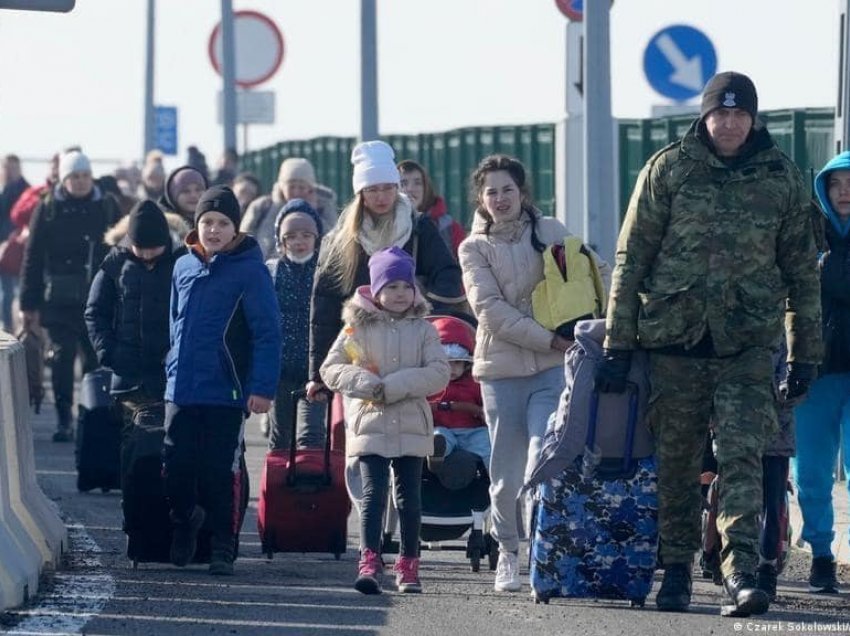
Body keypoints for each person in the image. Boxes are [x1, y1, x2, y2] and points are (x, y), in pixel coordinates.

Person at [596, 72, 822, 616]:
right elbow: (632, 259)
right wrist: (616, 343)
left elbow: (802, 273)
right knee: (677, 465)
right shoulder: (668, 169)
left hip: (746, 345)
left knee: (743, 456)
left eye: (740, 114)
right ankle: (674, 569)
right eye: (720, 114)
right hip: (675, 342)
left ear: (754, 118)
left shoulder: (781, 178)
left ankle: (741, 570)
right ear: (704, 117)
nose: (729, 124)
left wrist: (805, 353)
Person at [458, 153, 610, 593]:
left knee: (545, 455)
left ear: (523, 193)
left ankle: (546, 550)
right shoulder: (473, 248)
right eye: (491, 192)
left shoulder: (551, 231)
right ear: (481, 199)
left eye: (508, 190)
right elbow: (491, 311)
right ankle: (507, 550)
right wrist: (550, 339)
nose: (500, 199)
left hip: (551, 368)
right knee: (505, 473)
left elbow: (595, 273)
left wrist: (619, 310)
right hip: (501, 371)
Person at [305, 140, 464, 510]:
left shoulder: (418, 227)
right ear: (361, 192)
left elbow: (447, 275)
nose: (381, 197)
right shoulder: (342, 239)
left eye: (388, 188)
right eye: (372, 189)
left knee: (405, 442)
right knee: (361, 443)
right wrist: (316, 372)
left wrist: (421, 302)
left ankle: (402, 522)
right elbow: (324, 304)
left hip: (407, 348)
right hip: (360, 353)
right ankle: (370, 520)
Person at [164, 185, 280, 576]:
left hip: (227, 391)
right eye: (207, 222)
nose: (214, 230)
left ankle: (222, 546)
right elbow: (175, 324)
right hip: (181, 388)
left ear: (236, 228)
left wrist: (262, 388)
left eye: (222, 223)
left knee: (219, 471)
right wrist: (170, 369)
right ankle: (183, 521)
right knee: (175, 466)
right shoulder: (183, 266)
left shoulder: (251, 272)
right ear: (197, 225)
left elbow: (267, 333)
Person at [320, 246, 450, 594]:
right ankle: (369, 559)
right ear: (375, 290)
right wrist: (366, 384)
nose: (399, 294)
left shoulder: (424, 330)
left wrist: (395, 386)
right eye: (391, 287)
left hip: (410, 422)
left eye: (406, 286)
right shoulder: (355, 329)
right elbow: (331, 368)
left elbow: (439, 371)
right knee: (373, 494)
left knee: (409, 497)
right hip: (370, 422)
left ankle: (408, 563)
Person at [19, 150, 122, 442]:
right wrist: (29, 303)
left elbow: (121, 249)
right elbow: (33, 256)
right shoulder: (48, 207)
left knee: (94, 360)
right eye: (73, 177)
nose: (79, 182)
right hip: (59, 301)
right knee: (62, 359)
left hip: (98, 297)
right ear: (64, 179)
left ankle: (90, 415)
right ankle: (64, 418)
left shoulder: (106, 205)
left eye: (84, 176)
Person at [791, 150, 850, 595]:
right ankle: (822, 556)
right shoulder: (810, 235)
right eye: (835, 183)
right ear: (824, 190)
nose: (844, 191)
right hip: (816, 369)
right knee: (810, 470)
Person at [84, 200, 176, 477]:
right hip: (129, 374)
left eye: (154, 249)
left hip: (171, 372)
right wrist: (109, 353)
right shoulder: (114, 264)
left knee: (170, 443)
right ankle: (134, 503)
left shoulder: (182, 262)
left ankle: (165, 506)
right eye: (141, 249)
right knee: (133, 440)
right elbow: (95, 312)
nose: (147, 255)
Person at [266, 198, 325, 450]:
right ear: (281, 241)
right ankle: (278, 486)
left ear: (317, 238)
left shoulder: (325, 271)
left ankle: (312, 485)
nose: (299, 242)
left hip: (316, 370)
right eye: (291, 236)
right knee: (281, 435)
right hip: (280, 369)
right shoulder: (272, 271)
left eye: (306, 235)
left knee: (311, 435)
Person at [426, 315, 490, 470]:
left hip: (471, 430)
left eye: (457, 363)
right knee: (438, 436)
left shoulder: (474, 383)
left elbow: (485, 404)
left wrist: (483, 413)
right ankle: (435, 454)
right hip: (442, 428)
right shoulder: (428, 384)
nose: (452, 369)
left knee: (487, 442)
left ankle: (497, 478)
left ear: (466, 364)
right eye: (447, 364)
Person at [240, 157, 338, 259]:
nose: (296, 192)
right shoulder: (262, 207)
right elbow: (245, 243)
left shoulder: (324, 206)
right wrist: (277, 208)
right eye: (291, 187)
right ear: (282, 187)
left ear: (310, 188)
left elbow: (332, 244)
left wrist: (313, 212)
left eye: (301, 187)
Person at [398, 159, 465, 259]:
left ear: (426, 188)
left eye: (417, 183)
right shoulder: (382, 224)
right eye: (403, 183)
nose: (410, 189)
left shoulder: (450, 228)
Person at [0, 154, 29, 332]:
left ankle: (19, 327)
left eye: (12, 168)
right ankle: (8, 327)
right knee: (7, 293)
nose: (9, 172)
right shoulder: (3, 190)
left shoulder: (26, 191)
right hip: (4, 249)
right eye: (6, 168)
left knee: (19, 292)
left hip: (21, 248)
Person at [159, 165, 208, 231]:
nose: (193, 195)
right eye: (186, 191)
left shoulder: (216, 221)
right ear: (173, 196)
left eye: (198, 190)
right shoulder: (163, 226)